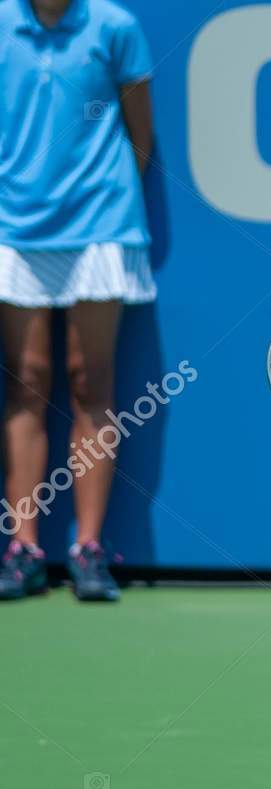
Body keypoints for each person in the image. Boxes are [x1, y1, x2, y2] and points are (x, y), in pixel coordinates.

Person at [0, 0, 156, 602]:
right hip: (15, 227)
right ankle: (23, 547)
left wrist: (101, 199)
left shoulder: (114, 27)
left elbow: (139, 134)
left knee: (91, 382)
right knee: (27, 380)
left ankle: (89, 550)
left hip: (100, 223)